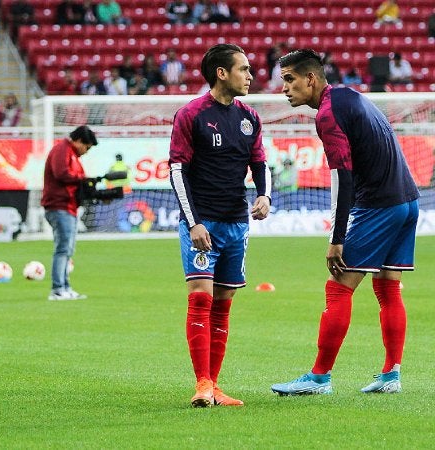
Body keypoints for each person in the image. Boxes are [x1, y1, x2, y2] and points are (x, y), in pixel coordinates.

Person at [270, 49, 419, 396]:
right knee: (387, 288)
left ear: (310, 78)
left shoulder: (327, 114)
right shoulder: (350, 96)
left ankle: (319, 378)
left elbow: (345, 177)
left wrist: (337, 238)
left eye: (289, 80)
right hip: (408, 200)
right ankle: (391, 374)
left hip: (380, 204)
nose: (284, 89)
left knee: (338, 286)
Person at [168, 43, 271, 407]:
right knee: (200, 299)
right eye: (243, 69)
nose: (250, 75)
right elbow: (177, 171)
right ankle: (201, 384)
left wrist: (264, 195)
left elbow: (260, 162)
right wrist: (193, 222)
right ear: (221, 73)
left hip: (236, 224)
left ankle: (215, 384)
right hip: (202, 226)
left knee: (223, 306)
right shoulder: (191, 114)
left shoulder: (249, 117)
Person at [41, 125, 97, 301]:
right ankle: (58, 289)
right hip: (59, 206)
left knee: (67, 249)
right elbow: (62, 173)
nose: (86, 151)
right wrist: (83, 180)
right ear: (79, 141)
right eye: (86, 147)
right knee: (63, 248)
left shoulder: (70, 153)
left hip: (68, 206)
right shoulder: (62, 150)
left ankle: (65, 287)